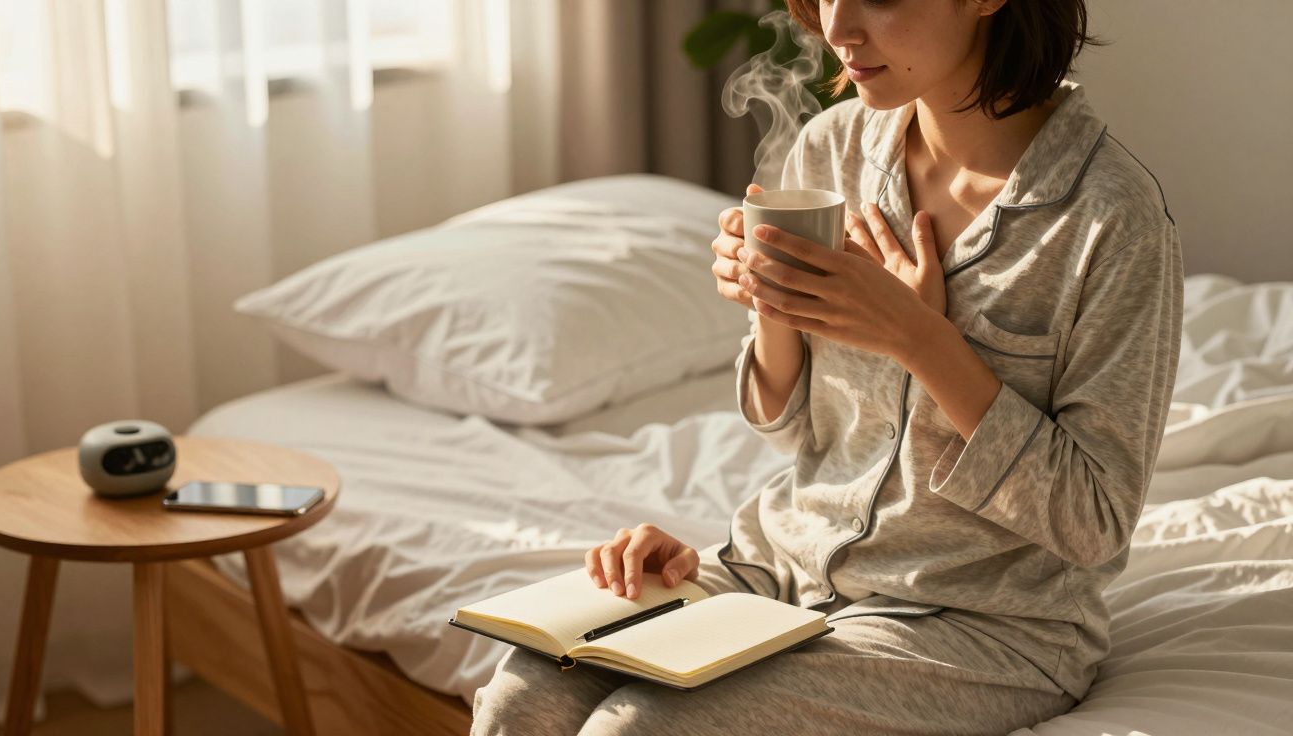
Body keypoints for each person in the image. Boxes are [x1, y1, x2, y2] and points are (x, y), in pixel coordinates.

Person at [470, 0, 1183, 733]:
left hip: (977, 622)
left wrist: (922, 341)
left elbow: (1094, 521)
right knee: (526, 688)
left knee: (641, 726)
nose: (836, 29)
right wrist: (772, 300)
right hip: (781, 566)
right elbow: (790, 428)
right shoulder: (833, 147)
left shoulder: (1110, 218)